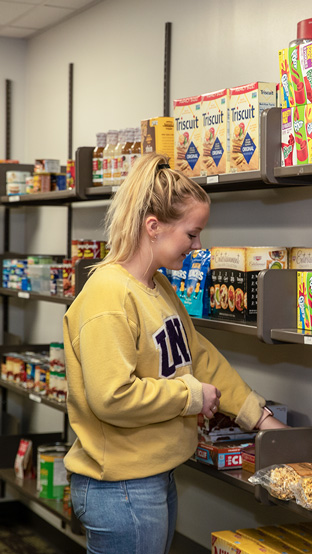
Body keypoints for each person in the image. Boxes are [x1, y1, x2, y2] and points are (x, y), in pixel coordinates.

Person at [63, 152, 285, 554]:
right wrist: (192, 397)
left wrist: (259, 417)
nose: (199, 246)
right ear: (153, 227)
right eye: (192, 233)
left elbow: (198, 355)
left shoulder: (157, 287)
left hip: (151, 478)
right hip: (121, 489)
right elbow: (112, 396)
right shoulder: (108, 295)